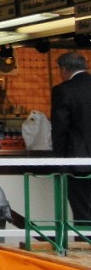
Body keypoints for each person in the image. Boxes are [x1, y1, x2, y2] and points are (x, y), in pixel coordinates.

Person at [50, 52, 91, 221]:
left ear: (64, 69)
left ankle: (86, 246)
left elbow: (60, 128)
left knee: (83, 212)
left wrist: (59, 162)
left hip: (78, 162)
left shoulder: (63, 90)